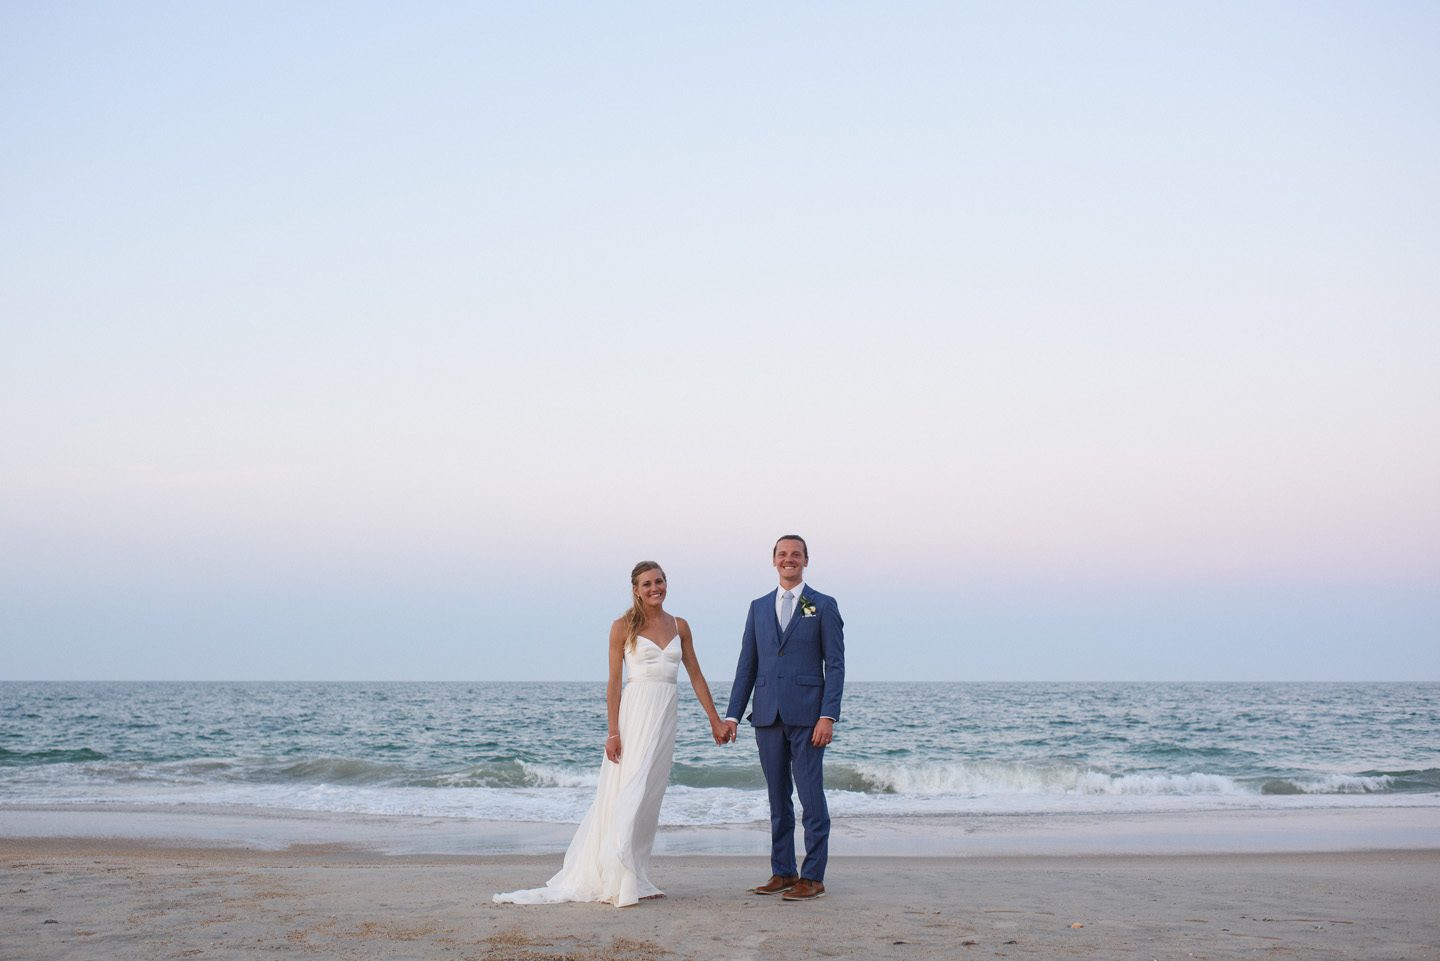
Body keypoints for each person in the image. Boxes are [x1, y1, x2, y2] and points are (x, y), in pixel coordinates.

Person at [495, 561, 729, 908]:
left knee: (650, 794)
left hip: (666, 712)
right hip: (635, 713)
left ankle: (636, 873)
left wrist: (715, 720)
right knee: (629, 790)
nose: (655, 588)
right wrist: (612, 732)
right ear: (635, 589)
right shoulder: (622, 627)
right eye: (647, 584)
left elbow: (695, 675)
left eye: (660, 581)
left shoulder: (680, 626)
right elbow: (614, 683)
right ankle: (615, 876)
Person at [722, 534, 845, 902]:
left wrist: (829, 715)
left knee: (811, 798)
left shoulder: (822, 605)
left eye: (795, 554)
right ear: (773, 560)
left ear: (806, 560)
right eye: (782, 554)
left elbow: (835, 665)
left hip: (809, 716)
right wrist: (732, 716)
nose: (788, 559)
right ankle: (783, 871)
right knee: (778, 800)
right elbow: (748, 665)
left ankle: (813, 877)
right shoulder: (758, 607)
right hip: (766, 715)